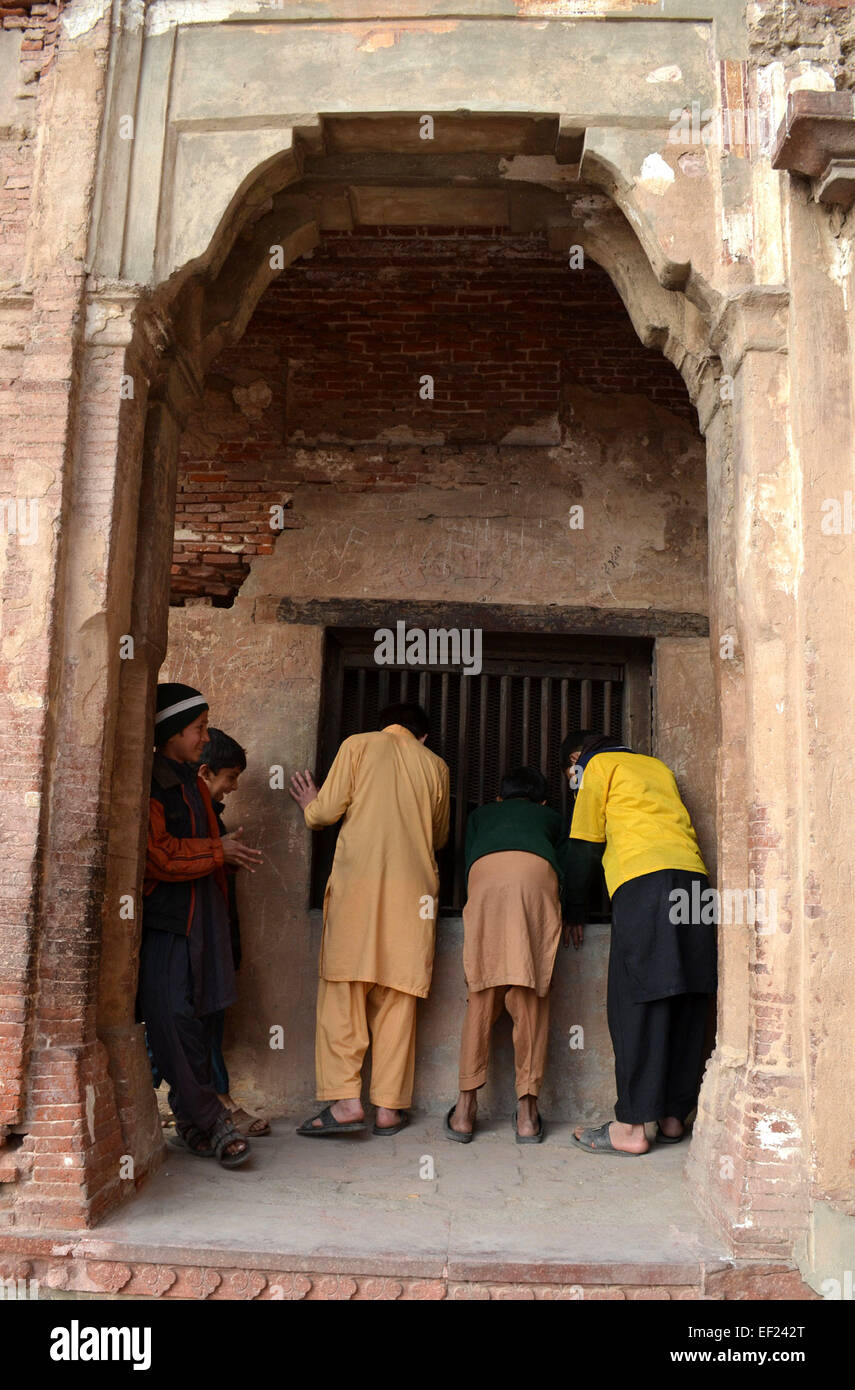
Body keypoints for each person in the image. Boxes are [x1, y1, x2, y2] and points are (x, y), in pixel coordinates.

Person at [289, 703, 450, 1137]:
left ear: (385, 725)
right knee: (399, 997)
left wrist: (310, 803)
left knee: (344, 990)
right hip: (412, 899)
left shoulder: (357, 745)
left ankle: (344, 1104)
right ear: (424, 737)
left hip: (357, 892)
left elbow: (325, 814)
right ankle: (388, 1110)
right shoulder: (436, 766)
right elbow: (438, 836)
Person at [561, 731, 717, 1156]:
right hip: (695, 882)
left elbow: (584, 844)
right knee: (688, 993)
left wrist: (574, 904)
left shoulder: (597, 766)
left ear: (578, 758)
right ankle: (672, 1117)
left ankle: (630, 1126)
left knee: (636, 1000)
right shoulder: (657, 767)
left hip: (645, 881)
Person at [137, 683, 263, 1168]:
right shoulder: (152, 782)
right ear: (171, 733)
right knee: (172, 1023)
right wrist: (218, 852)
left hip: (199, 922)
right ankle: (210, 1119)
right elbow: (157, 856)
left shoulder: (191, 782)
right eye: (199, 729)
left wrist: (224, 858)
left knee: (193, 1021)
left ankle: (191, 1122)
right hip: (168, 923)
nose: (205, 738)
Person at [445, 767, 575, 1145]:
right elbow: (566, 867)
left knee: (482, 994)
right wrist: (570, 911)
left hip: (485, 883)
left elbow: (469, 857)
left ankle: (465, 1112)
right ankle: (528, 1118)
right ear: (544, 801)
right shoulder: (552, 817)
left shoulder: (481, 815)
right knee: (530, 995)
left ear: (499, 799)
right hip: (536, 881)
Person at [197, 728, 271, 1139]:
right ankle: (217, 1103)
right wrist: (216, 853)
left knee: (208, 1016)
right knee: (198, 1020)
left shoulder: (211, 814)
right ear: (205, 772)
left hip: (212, 931)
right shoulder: (186, 810)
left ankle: (210, 1104)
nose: (233, 787)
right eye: (229, 778)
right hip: (191, 934)